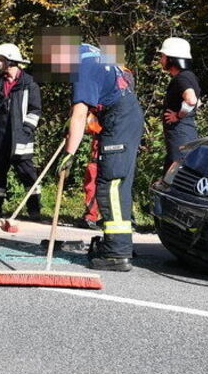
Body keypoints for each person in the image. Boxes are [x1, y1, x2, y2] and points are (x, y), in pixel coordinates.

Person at [57, 43, 144, 272]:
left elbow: (80, 115)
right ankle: (119, 244)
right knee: (119, 184)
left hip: (119, 120)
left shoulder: (81, 67)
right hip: (127, 116)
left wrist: (69, 154)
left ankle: (116, 253)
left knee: (111, 185)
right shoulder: (90, 52)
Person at [0, 43, 42, 219]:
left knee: (26, 171)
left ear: (10, 61)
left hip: (20, 136)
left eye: (0, 60)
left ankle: (34, 209)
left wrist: (27, 129)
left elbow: (35, 110)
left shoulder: (28, 83)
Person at [159, 37, 201, 170]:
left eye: (163, 56)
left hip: (180, 135)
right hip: (184, 134)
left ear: (171, 59)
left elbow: (192, 100)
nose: (161, 60)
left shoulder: (182, 78)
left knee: (178, 173)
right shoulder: (189, 76)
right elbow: (198, 102)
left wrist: (177, 115)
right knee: (170, 173)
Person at [74, 112, 102, 230]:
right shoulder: (96, 110)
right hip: (98, 151)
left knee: (94, 183)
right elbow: (91, 126)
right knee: (91, 182)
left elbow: (92, 126)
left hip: (106, 151)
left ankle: (93, 217)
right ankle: (91, 216)